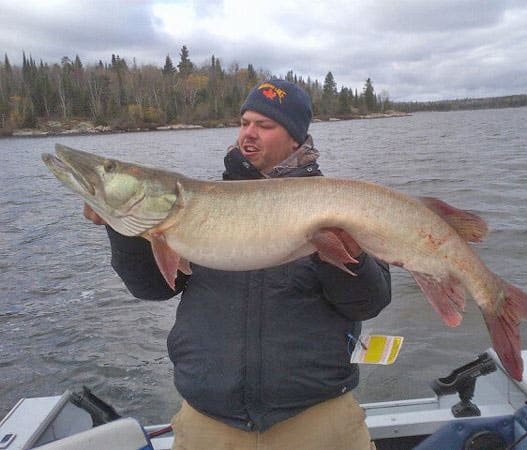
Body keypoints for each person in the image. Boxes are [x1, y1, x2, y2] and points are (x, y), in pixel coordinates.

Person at [84, 79, 391, 450]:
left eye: (264, 125)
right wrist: (125, 227)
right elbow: (151, 289)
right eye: (245, 122)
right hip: (210, 423)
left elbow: (367, 302)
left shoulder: (335, 202)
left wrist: (345, 250)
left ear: (296, 137)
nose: (249, 133)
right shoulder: (195, 206)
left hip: (317, 418)